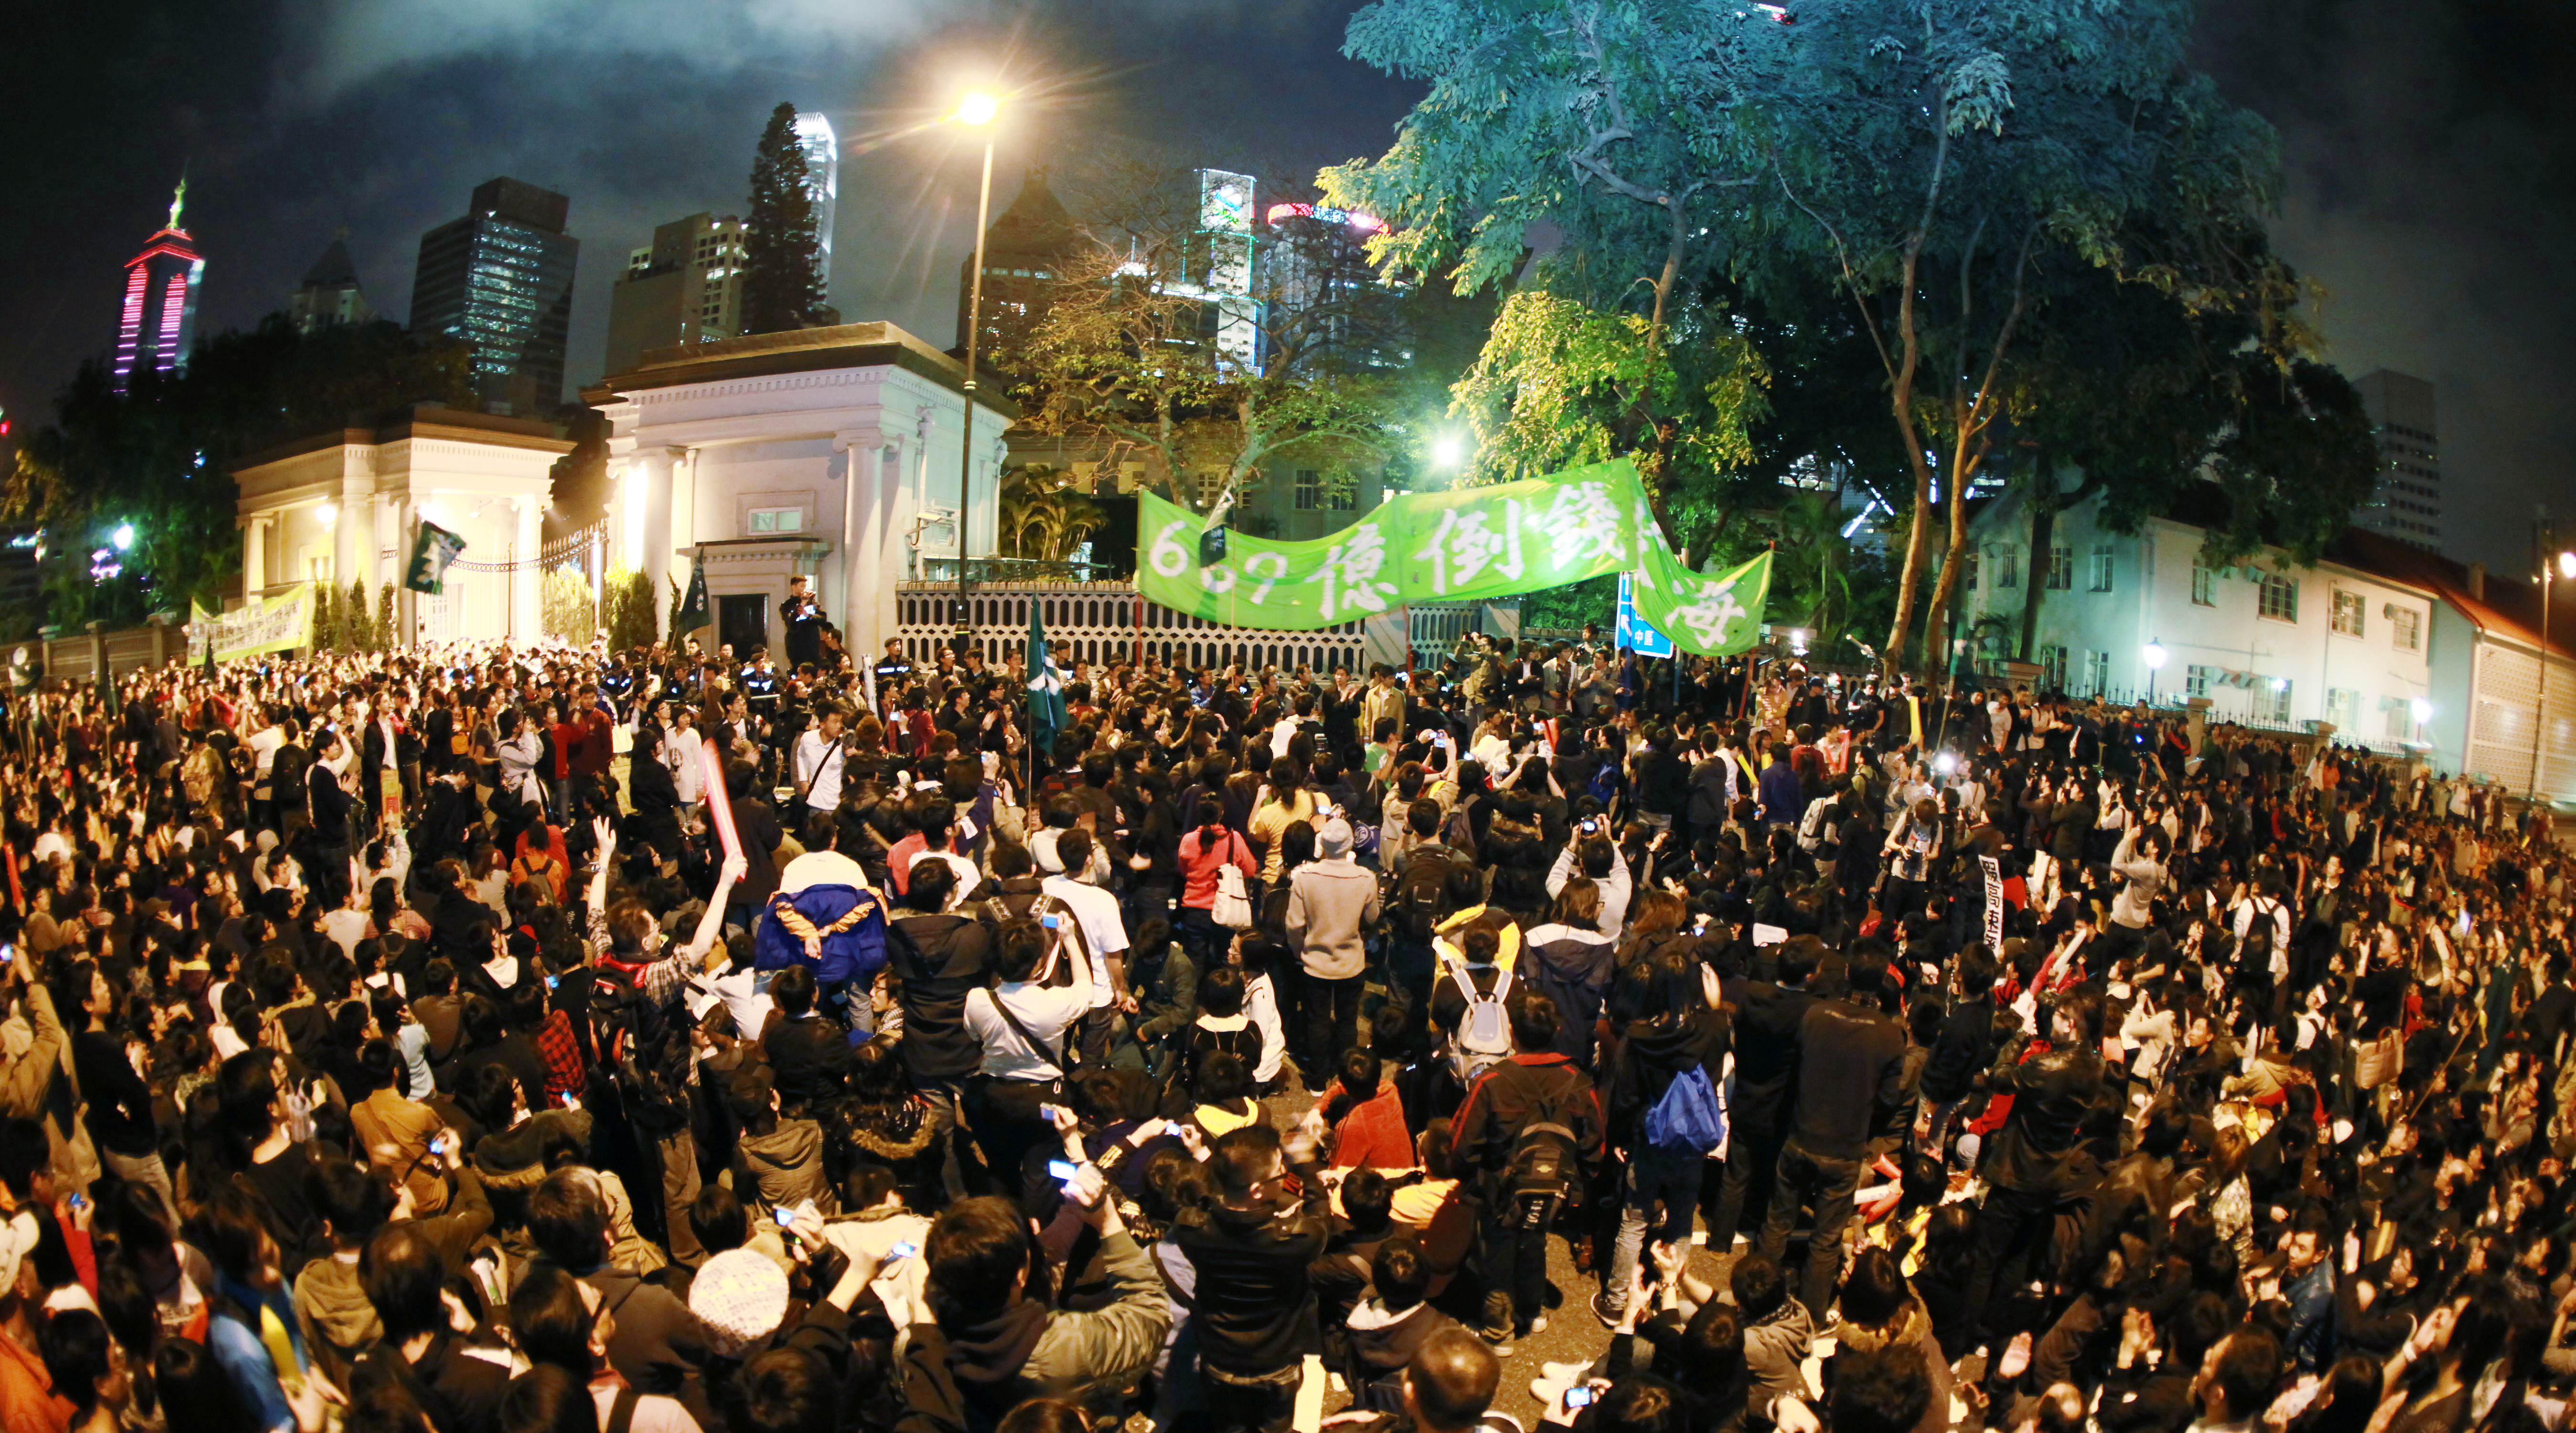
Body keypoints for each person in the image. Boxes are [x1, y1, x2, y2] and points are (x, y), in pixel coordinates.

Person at [1448, 992, 1604, 1348]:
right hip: (1554, 1189)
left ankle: (1498, 1332)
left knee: (1497, 1257)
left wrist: (1473, 1180)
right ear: (1558, 1029)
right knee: (1534, 1242)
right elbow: (1595, 1148)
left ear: (1513, 1032)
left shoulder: (1492, 1083)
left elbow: (1461, 1146)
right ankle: (1532, 1312)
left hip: (1500, 1190)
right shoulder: (1578, 1083)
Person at [1285, 817, 1380, 1078]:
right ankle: (1347, 1078)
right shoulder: (1366, 877)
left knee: (1318, 1022)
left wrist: (1298, 951)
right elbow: (1372, 918)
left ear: (1322, 844)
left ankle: (1316, 1079)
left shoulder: (1305, 878)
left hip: (1315, 963)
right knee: (1348, 1022)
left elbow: (1294, 925)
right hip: (1351, 963)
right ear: (1350, 844)